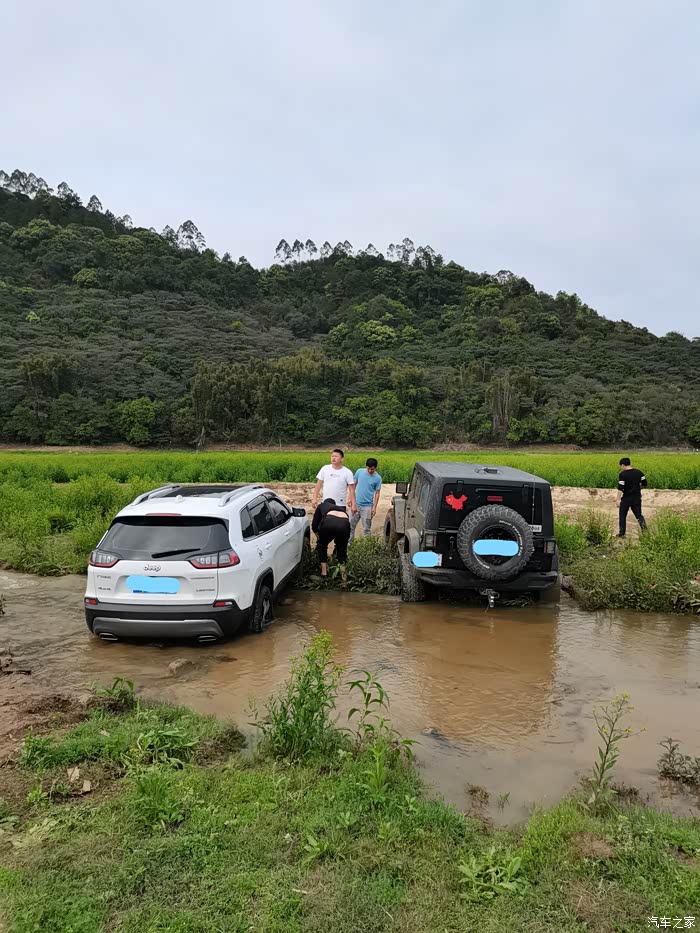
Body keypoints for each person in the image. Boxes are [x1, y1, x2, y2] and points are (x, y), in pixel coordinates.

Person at [311, 497, 350, 582]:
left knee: (322, 545)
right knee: (342, 552)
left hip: (329, 521)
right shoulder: (340, 509)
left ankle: (324, 574)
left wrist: (319, 538)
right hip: (345, 524)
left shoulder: (322, 505)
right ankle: (344, 580)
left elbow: (314, 525)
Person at [311, 449, 356, 514]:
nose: (333, 458)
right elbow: (319, 484)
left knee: (339, 523)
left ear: (342, 459)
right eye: (332, 456)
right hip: (326, 503)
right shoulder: (325, 468)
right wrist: (314, 498)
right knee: (324, 522)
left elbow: (351, 489)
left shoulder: (347, 472)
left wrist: (353, 504)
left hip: (340, 504)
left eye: (336, 456)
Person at [349, 457, 382, 543]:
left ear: (375, 468)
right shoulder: (359, 472)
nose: (370, 470)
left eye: (372, 469)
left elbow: (377, 493)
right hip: (355, 504)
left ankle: (366, 547)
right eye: (369, 468)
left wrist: (374, 507)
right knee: (350, 526)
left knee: (366, 529)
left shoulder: (378, 478)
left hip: (367, 507)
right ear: (366, 466)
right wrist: (350, 499)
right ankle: (349, 545)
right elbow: (353, 485)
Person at [616, 457, 647, 537]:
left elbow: (620, 487)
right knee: (639, 515)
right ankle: (645, 532)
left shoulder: (622, 474)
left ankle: (622, 534)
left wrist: (618, 499)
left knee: (622, 516)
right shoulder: (639, 472)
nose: (621, 468)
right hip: (636, 498)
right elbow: (644, 483)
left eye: (621, 466)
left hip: (626, 498)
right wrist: (638, 488)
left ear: (623, 465)